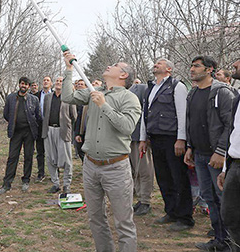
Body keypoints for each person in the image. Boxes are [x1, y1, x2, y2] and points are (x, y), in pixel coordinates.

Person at [62, 51, 141, 252]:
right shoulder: (94, 91)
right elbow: (67, 96)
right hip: (90, 166)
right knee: (96, 218)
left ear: (123, 75)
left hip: (116, 168)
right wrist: (69, 69)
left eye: (115, 65)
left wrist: (103, 105)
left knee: (124, 222)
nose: (109, 66)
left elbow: (126, 128)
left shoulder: (129, 98)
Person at [184, 56, 235, 251]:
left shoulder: (222, 93)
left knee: (223, 199)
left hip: (217, 157)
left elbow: (231, 125)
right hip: (199, 154)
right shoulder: (193, 93)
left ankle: (231, 242)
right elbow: (192, 123)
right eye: (192, 65)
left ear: (210, 69)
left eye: (196, 66)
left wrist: (221, 152)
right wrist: (190, 146)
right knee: (209, 197)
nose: (192, 69)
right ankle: (219, 239)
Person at [139, 58, 194, 230]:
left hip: (172, 138)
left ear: (169, 69)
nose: (155, 64)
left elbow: (182, 114)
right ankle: (171, 211)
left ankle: (185, 218)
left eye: (160, 63)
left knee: (178, 177)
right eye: (155, 62)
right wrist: (143, 138)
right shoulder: (151, 88)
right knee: (163, 177)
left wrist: (181, 139)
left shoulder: (177, 86)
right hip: (155, 138)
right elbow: (145, 115)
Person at [0, 77, 42, 194]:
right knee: (12, 157)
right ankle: (7, 183)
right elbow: (6, 114)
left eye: (26, 84)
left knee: (28, 157)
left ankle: (26, 180)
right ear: (19, 84)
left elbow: (38, 116)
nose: (24, 86)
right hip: (16, 132)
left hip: (29, 132)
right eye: (22, 84)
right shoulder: (11, 98)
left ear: (29, 86)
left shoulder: (34, 99)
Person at [218, 58, 240, 252]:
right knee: (230, 215)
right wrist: (226, 168)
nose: (235, 64)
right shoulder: (238, 97)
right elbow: (233, 133)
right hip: (235, 165)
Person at [41, 76, 77, 194]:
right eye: (57, 81)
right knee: (50, 158)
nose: (58, 83)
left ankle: (67, 184)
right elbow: (45, 113)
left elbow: (74, 116)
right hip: (49, 130)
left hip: (63, 131)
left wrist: (67, 127)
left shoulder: (69, 98)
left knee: (66, 160)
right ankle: (55, 183)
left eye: (61, 81)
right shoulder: (47, 97)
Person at [128, 81, 153, 216]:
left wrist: (145, 137)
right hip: (128, 137)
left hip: (140, 138)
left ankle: (145, 201)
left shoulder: (142, 89)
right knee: (134, 171)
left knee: (144, 170)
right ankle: (140, 198)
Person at [34, 76, 53, 182]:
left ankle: (54, 173)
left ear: (51, 83)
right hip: (39, 126)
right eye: (44, 80)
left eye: (48, 80)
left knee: (52, 151)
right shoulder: (36, 95)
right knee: (40, 151)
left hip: (51, 126)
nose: (45, 82)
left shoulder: (55, 95)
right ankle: (41, 173)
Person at [74, 79, 88, 162]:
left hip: (87, 129)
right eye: (78, 84)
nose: (79, 85)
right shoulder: (74, 98)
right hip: (77, 128)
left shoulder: (88, 99)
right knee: (79, 149)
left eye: (81, 84)